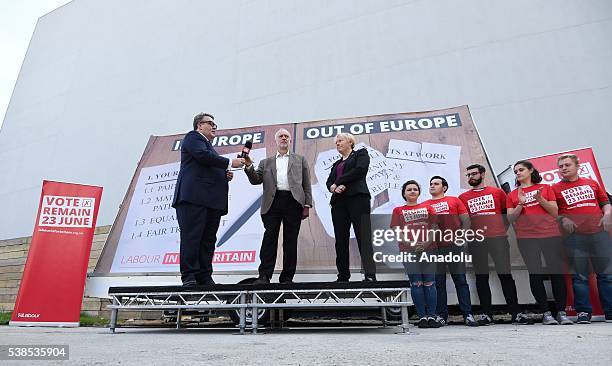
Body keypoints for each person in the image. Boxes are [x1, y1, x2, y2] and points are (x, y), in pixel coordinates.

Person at [171, 113, 245, 286]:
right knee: (192, 238)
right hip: (193, 199)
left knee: (207, 241)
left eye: (215, 124)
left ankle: (204, 276)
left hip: (212, 202)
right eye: (210, 123)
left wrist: (223, 174)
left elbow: (207, 164)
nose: (214, 127)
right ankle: (189, 276)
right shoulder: (193, 138)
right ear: (199, 125)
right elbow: (203, 156)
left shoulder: (210, 147)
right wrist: (229, 163)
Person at [458, 164, 530, 325]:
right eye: (468, 175)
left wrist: (499, 230)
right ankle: (486, 314)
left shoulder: (497, 192)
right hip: (476, 241)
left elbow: (507, 216)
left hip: (498, 239)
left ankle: (515, 313)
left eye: (474, 174)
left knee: (505, 275)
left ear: (483, 174)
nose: (471, 177)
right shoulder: (463, 197)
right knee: (481, 276)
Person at [244, 128, 313, 284]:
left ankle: (287, 277)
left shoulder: (300, 159)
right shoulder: (265, 162)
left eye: (286, 136)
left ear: (290, 140)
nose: (283, 138)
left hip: (294, 201)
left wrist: (307, 204)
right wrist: (248, 166)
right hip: (272, 203)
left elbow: (306, 183)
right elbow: (255, 180)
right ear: (275, 141)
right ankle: (264, 276)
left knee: (290, 240)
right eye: (280, 136)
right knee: (269, 238)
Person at [507, 160, 572, 325]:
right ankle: (546, 312)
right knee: (534, 273)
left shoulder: (546, 188)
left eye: (521, 169)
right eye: (515, 171)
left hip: (550, 234)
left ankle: (562, 312)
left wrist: (539, 199)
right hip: (526, 238)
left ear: (530, 170)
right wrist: (521, 203)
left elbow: (554, 211)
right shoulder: (513, 194)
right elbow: (510, 218)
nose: (518, 173)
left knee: (556, 273)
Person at [552, 154, 612, 324]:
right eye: (561, 166)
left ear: (578, 166)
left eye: (567, 165)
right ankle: (584, 312)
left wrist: (607, 214)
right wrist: (563, 219)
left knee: (606, 275)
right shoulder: (555, 188)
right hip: (575, 237)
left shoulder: (592, 183)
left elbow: (605, 202)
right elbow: (552, 211)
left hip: (599, 233)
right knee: (580, 276)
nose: (563, 168)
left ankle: (610, 311)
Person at [425, 176, 479, 327]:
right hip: (435, 249)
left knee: (460, 280)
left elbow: (466, 220)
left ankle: (468, 315)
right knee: (439, 283)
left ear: (444, 187)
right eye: (431, 184)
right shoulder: (425, 205)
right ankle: (442, 316)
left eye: (436, 183)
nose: (432, 186)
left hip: (454, 246)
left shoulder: (454, 201)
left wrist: (462, 237)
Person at [326, 133, 376, 282]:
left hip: (358, 198)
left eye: (340, 141)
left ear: (350, 142)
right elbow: (329, 182)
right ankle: (342, 276)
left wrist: (340, 182)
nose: (337, 144)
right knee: (340, 240)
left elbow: (360, 170)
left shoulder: (361, 154)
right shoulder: (336, 164)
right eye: (336, 142)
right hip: (338, 203)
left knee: (363, 236)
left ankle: (370, 275)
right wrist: (333, 188)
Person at [391, 180, 440, 328]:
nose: (412, 191)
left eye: (415, 189)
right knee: (416, 284)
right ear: (404, 193)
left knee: (430, 283)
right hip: (408, 251)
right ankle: (422, 318)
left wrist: (425, 243)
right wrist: (411, 244)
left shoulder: (429, 207)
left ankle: (432, 316)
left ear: (419, 192)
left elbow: (435, 228)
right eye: (409, 189)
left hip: (429, 249)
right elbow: (396, 230)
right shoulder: (398, 210)